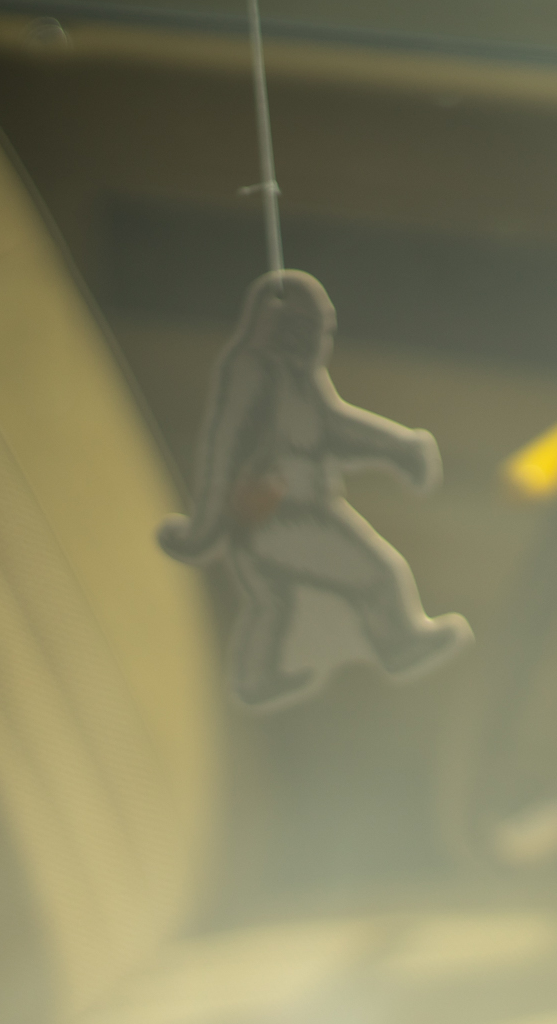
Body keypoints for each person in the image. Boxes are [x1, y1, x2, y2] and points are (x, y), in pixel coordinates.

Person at [159, 270, 471, 708]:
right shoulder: (252, 370)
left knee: (273, 603)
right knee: (378, 572)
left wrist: (399, 449)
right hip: (276, 519)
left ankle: (257, 678)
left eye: (321, 330)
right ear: (278, 325)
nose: (314, 340)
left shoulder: (300, 380)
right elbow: (223, 450)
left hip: (296, 513)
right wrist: (204, 529)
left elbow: (336, 427)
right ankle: (399, 644)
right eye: (305, 328)